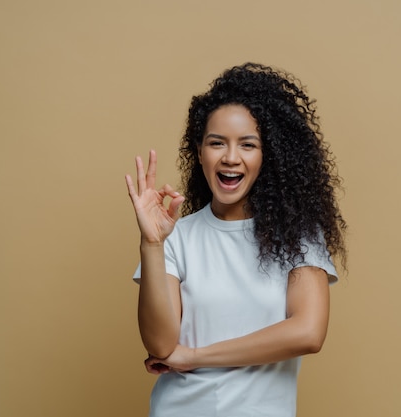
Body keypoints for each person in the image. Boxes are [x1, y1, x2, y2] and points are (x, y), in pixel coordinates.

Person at [125, 63, 347, 417]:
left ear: (267, 157)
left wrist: (195, 357)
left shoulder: (298, 237)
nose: (231, 157)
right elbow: (161, 344)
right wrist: (152, 244)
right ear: (200, 154)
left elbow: (307, 332)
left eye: (248, 144)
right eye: (217, 143)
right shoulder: (177, 236)